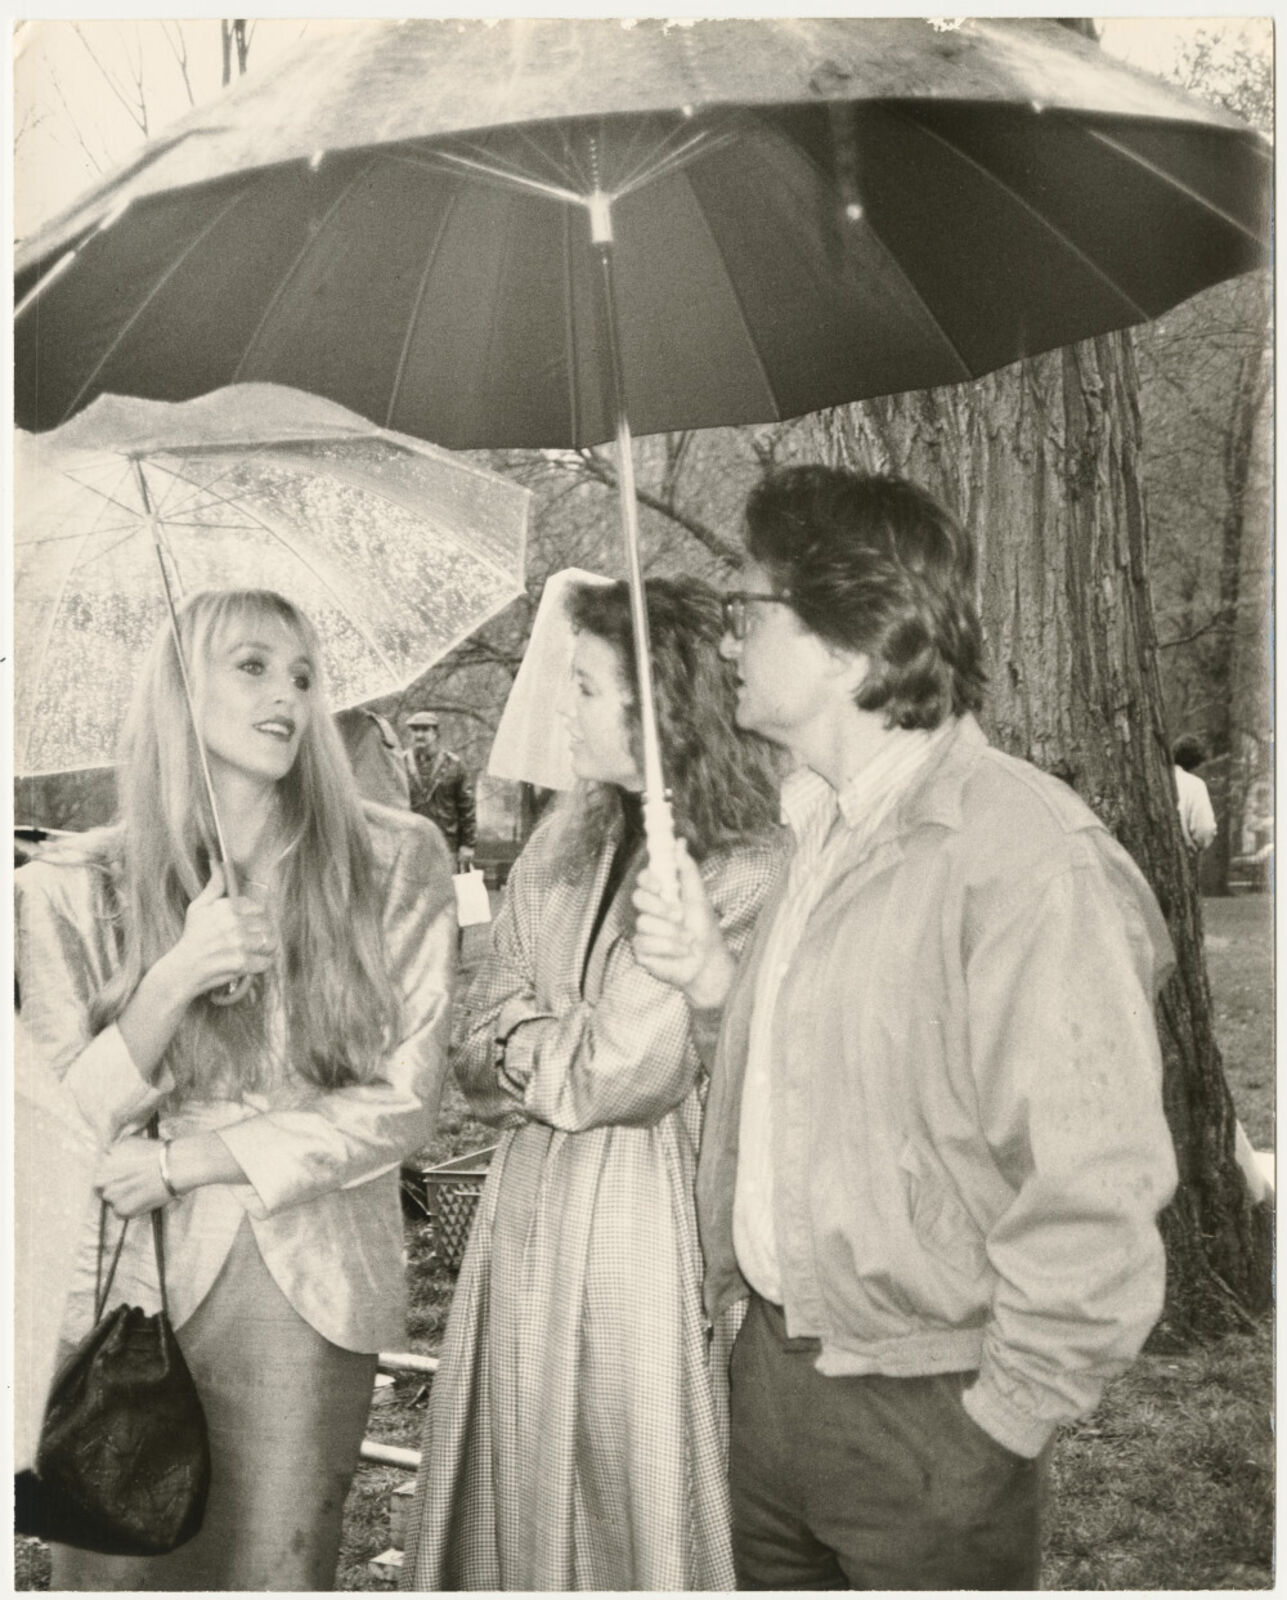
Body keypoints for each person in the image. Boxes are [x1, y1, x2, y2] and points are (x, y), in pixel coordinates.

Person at [634, 467, 1179, 1591]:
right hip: (771, 1374)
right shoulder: (811, 828)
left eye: (748, 611)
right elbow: (859, 1082)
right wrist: (713, 986)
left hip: (932, 1409)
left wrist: (1002, 1421)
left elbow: (1096, 1175)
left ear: (845, 637)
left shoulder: (1023, 854)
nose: (728, 642)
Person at [15, 588, 456, 1591]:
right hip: (114, 1286)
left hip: (302, 1268)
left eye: (303, 674)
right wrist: (172, 978)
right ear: (179, 690)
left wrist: (190, 1159)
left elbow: (405, 1099)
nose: (288, 697)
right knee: (117, 1575)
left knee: (275, 1567)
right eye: (252, 665)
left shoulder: (392, 861)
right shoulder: (69, 885)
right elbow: (59, 1123)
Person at [401, 576, 784, 1591]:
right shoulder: (561, 848)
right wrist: (545, 1042)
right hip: (521, 1217)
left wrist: (531, 1041)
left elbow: (621, 1074)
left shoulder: (740, 867)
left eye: (582, 687)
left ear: (656, 704)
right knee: (519, 1483)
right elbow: (469, 1044)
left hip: (642, 1229)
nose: (556, 709)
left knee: (624, 1487)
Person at [406, 709, 477, 870]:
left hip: (446, 843)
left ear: (436, 733)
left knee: (444, 892)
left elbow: (467, 808)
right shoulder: (400, 763)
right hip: (410, 843)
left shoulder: (454, 764)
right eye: (415, 730)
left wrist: (468, 845)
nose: (419, 735)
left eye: (425, 729)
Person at [336, 705, 412, 809]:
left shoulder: (361, 729)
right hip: (391, 811)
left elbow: (373, 791)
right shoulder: (376, 724)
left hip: (380, 813)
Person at [1173, 733, 1217, 852]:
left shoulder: (1159, 777)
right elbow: (1204, 829)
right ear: (1197, 763)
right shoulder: (1195, 784)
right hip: (1181, 854)